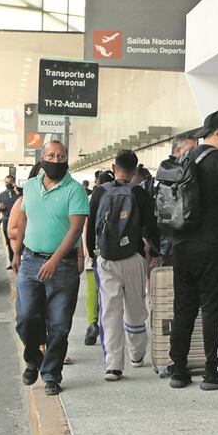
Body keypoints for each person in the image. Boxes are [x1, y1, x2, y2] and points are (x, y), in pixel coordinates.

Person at [167, 112, 218, 391]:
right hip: (214, 247)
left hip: (181, 246)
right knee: (215, 309)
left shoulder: (186, 157)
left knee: (184, 308)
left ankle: (178, 370)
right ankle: (214, 372)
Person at [13, 141, 89, 395]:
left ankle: (51, 375)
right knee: (25, 317)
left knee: (59, 325)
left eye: (60, 156)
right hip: (30, 261)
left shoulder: (75, 190)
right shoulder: (31, 186)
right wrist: (17, 253)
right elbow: (24, 219)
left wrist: (54, 261)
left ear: (67, 159)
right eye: (50, 155)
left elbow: (75, 229)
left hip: (63, 266)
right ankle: (34, 358)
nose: (55, 160)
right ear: (41, 158)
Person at [87, 150, 161, 382]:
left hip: (106, 259)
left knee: (110, 311)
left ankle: (113, 366)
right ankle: (136, 355)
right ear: (135, 169)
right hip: (134, 257)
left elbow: (90, 227)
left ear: (113, 166)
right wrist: (156, 251)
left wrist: (92, 253)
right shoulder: (139, 193)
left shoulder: (99, 192)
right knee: (135, 307)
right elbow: (151, 226)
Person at [156, 134, 197, 265]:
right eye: (191, 149)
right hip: (180, 237)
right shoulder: (182, 171)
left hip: (166, 240)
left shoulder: (163, 170)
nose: (194, 153)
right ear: (179, 150)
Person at [0, 175, 18, 266]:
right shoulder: (1, 195)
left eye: (10, 182)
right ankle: (11, 261)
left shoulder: (20, 192)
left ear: (14, 182)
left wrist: (17, 191)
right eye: (6, 182)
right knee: (9, 242)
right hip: (7, 221)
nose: (8, 184)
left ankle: (21, 260)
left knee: (22, 241)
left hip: (19, 221)